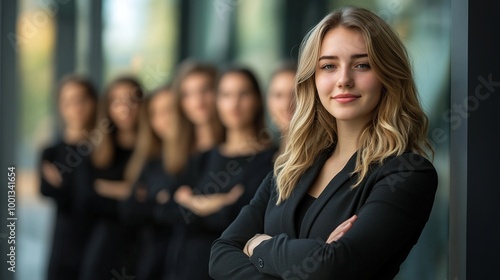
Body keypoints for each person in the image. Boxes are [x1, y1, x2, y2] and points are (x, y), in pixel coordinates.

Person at [209, 6, 438, 280]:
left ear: (388, 75)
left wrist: (258, 245)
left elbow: (334, 266)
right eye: (329, 66)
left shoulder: (407, 173)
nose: (344, 80)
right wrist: (311, 256)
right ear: (313, 79)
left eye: (362, 64)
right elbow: (221, 254)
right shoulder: (292, 166)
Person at [158, 67, 278, 280]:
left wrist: (193, 202)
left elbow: (240, 219)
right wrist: (219, 202)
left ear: (258, 100)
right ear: (217, 101)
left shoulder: (269, 161)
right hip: (182, 267)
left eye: (244, 94)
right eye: (226, 95)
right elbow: (167, 210)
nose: (234, 104)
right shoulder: (202, 158)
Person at [78, 76, 143, 280]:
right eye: (116, 101)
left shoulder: (154, 153)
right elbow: (87, 199)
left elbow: (153, 203)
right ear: (107, 107)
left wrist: (107, 188)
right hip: (104, 248)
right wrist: (133, 191)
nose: (125, 108)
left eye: (132, 100)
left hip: (144, 247)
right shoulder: (95, 152)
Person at [39, 75, 98, 280]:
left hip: (99, 240)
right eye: (68, 101)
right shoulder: (51, 152)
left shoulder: (103, 150)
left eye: (82, 99)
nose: (76, 107)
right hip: (64, 240)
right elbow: (49, 192)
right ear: (60, 106)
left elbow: (88, 197)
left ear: (94, 102)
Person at [119, 85, 180, 280]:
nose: (162, 119)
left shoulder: (195, 160)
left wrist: (151, 200)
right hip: (149, 260)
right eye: (155, 113)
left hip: (180, 260)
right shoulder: (150, 162)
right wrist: (160, 201)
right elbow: (128, 210)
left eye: (168, 110)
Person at [266, 62, 296, 155]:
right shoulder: (267, 158)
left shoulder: (321, 159)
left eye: (294, 95)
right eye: (278, 95)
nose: (286, 104)